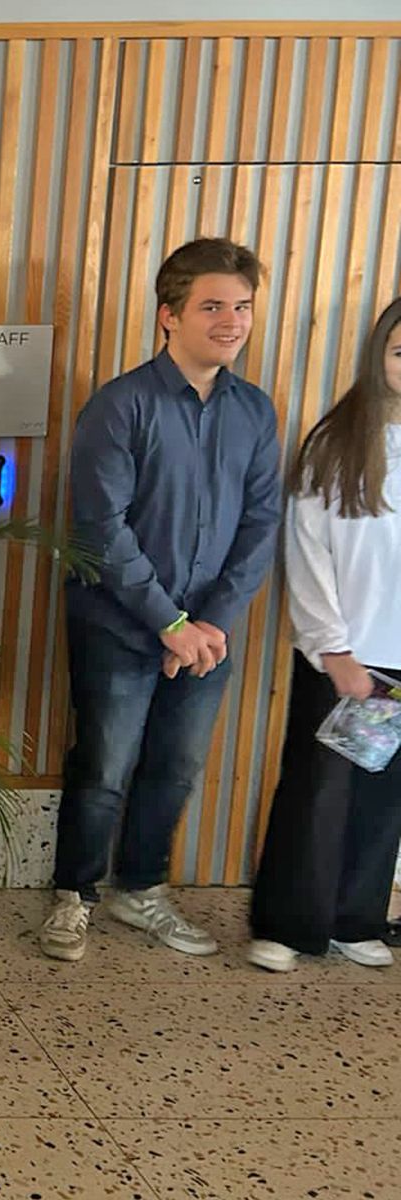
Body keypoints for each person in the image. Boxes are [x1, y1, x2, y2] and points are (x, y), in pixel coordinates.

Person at [43, 238, 281, 962]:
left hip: (208, 632)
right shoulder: (121, 405)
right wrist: (169, 622)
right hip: (119, 623)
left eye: (242, 307)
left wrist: (209, 623)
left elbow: (261, 522)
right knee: (104, 767)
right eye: (212, 306)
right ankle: (74, 895)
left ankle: (140, 890)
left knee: (176, 767)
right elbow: (101, 529)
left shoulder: (254, 411)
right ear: (169, 316)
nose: (231, 321)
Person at [248, 297, 401, 974]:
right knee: (317, 792)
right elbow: (307, 551)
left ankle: (355, 919)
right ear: (380, 355)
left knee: (384, 799)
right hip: (342, 655)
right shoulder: (336, 444)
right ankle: (288, 925)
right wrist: (331, 646)